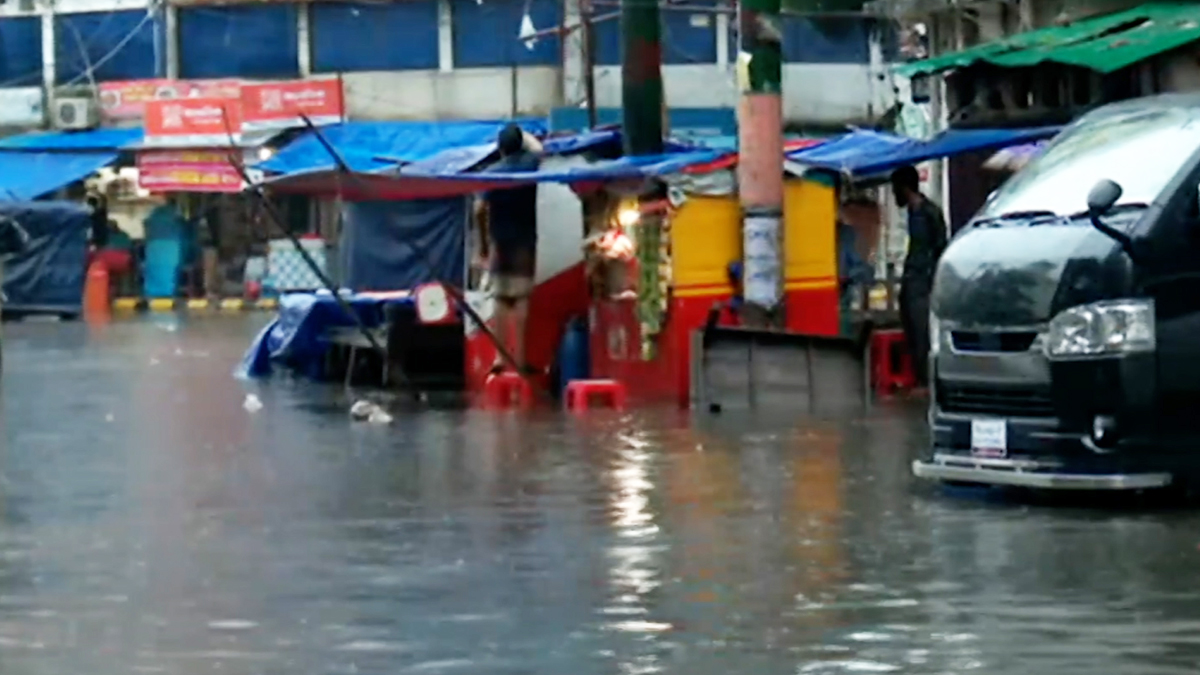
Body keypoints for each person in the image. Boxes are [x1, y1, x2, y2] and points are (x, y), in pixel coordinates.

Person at [475, 124, 542, 375]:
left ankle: (500, 359)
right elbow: (539, 148)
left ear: (500, 147)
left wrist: (483, 244)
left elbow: (479, 210)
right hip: (525, 240)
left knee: (501, 299)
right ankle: (521, 360)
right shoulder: (532, 165)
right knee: (522, 298)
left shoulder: (491, 173)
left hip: (499, 241)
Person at [891, 165, 947, 388]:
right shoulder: (913, 213)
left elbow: (941, 247)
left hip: (923, 283)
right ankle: (918, 380)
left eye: (895, 188)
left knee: (921, 331)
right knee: (911, 331)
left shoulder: (930, 212)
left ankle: (926, 383)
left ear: (903, 188)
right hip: (912, 280)